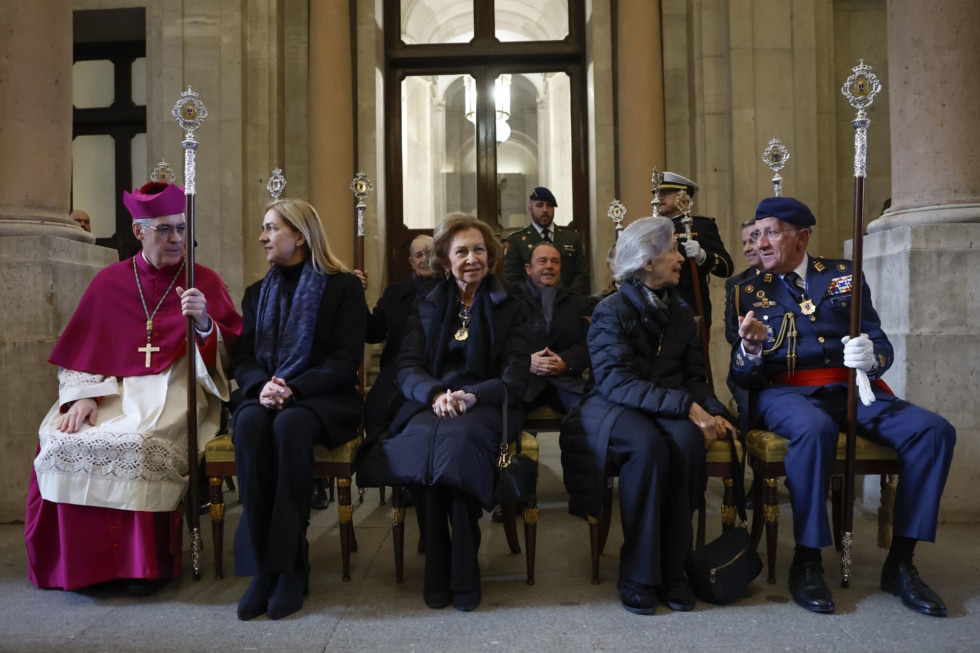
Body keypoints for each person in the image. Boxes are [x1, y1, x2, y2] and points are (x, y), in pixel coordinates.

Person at [731, 196, 956, 617]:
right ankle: (809, 559)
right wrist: (751, 350)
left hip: (852, 389)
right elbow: (741, 375)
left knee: (934, 430)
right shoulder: (745, 289)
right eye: (757, 233)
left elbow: (879, 339)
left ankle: (901, 563)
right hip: (785, 392)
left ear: (802, 237)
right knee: (814, 429)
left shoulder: (842, 276)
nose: (760, 242)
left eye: (771, 232)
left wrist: (871, 358)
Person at [26, 181, 242, 594]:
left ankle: (142, 569)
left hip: (176, 386)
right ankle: (81, 569)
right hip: (112, 389)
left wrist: (202, 322)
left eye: (181, 228)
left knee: (140, 443)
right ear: (139, 232)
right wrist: (83, 395)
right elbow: (81, 349)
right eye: (164, 229)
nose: (177, 238)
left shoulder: (203, 281)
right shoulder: (109, 282)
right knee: (61, 439)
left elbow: (233, 352)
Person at [560, 216, 734, 615]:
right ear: (647, 262)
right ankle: (638, 573)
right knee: (648, 448)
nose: (679, 257)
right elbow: (617, 383)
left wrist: (711, 409)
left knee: (689, 442)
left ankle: (673, 570)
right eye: (671, 249)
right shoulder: (611, 310)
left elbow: (694, 377)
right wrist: (684, 406)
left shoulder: (680, 312)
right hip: (612, 406)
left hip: (664, 402)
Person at [358, 213, 530, 612]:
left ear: (492, 256)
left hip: (487, 403)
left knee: (456, 445)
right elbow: (406, 367)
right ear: (445, 259)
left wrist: (471, 395)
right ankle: (439, 563)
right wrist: (436, 394)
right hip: (433, 403)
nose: (472, 258)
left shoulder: (512, 307)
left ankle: (462, 567)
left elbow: (516, 377)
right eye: (462, 251)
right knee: (422, 445)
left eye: (479, 249)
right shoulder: (428, 306)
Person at [231, 198, 366, 621]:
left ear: (301, 235)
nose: (262, 237)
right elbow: (244, 358)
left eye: (271, 228)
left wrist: (292, 388)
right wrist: (262, 387)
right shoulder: (257, 292)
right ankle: (265, 568)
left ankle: (289, 566)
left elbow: (345, 360)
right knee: (250, 423)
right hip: (268, 394)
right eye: (264, 228)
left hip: (325, 397)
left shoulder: (343, 286)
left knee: (289, 426)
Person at [361, 235, 438, 439]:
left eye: (430, 254)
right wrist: (356, 296)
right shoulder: (395, 294)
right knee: (375, 409)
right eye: (419, 255)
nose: (424, 259)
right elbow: (373, 332)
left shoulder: (456, 291)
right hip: (396, 372)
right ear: (411, 262)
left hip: (437, 371)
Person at [516, 241, 593, 414]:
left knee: (592, 419)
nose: (550, 266)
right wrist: (527, 361)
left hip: (568, 382)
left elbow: (589, 345)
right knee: (504, 422)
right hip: (525, 383)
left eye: (555, 262)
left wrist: (566, 362)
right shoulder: (513, 303)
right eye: (543, 261)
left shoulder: (579, 303)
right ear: (528, 268)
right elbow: (502, 345)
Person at [657, 172, 733, 330]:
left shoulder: (700, 226)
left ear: (683, 197)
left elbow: (726, 267)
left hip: (689, 303)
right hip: (658, 305)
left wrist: (703, 256)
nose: (659, 198)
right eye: (657, 193)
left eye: (665, 194)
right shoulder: (653, 228)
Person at [504, 186, 590, 295]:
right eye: (540, 205)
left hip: (568, 302)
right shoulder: (517, 240)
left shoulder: (571, 237)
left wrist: (568, 298)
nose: (545, 210)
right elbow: (511, 278)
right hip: (529, 305)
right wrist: (533, 298)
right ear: (530, 208)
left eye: (549, 205)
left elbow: (582, 274)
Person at [724, 219, 765, 346]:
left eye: (752, 242)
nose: (746, 249)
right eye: (744, 243)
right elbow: (732, 335)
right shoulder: (737, 284)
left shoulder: (789, 277)